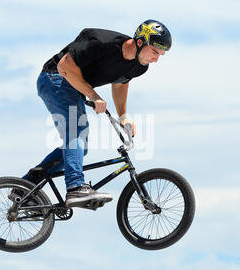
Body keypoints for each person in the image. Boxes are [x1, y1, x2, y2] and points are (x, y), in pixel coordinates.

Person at [14, 19, 172, 208]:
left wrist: (123, 116)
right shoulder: (101, 42)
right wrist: (93, 95)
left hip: (74, 88)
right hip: (54, 78)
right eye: (155, 52)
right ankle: (75, 187)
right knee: (77, 132)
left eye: (161, 55)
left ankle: (25, 187)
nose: (156, 59)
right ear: (139, 42)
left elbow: (121, 82)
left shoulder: (139, 66)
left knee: (79, 147)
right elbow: (64, 67)